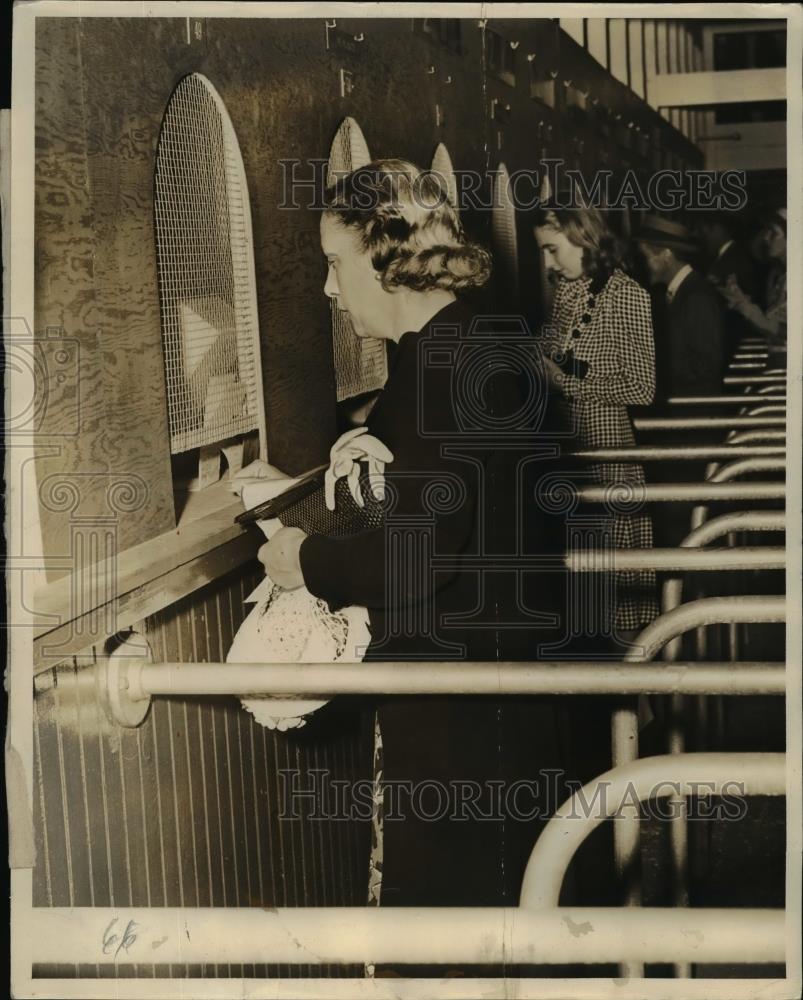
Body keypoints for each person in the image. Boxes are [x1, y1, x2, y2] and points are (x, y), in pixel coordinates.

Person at [258, 159, 565, 935]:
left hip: (458, 694)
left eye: (335, 263)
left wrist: (306, 560)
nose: (329, 289)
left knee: (448, 920)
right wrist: (367, 446)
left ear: (388, 254)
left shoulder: (439, 364)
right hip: (499, 672)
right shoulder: (472, 341)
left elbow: (420, 555)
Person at [534, 204, 659, 641]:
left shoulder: (627, 294)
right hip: (567, 444)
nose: (548, 262)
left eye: (552, 249)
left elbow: (643, 387)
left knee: (614, 580)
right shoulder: (568, 291)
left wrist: (568, 385)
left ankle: (634, 693)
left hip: (607, 443)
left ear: (582, 236)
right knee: (582, 579)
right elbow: (554, 352)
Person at [637, 214, 726, 402]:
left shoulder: (696, 296)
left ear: (666, 255)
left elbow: (706, 366)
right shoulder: (682, 292)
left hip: (695, 410)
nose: (645, 264)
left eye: (646, 256)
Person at [717, 208, 787, 364]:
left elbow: (789, 332)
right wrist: (741, 301)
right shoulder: (778, 277)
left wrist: (745, 306)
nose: (766, 239)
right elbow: (770, 327)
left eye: (774, 233)